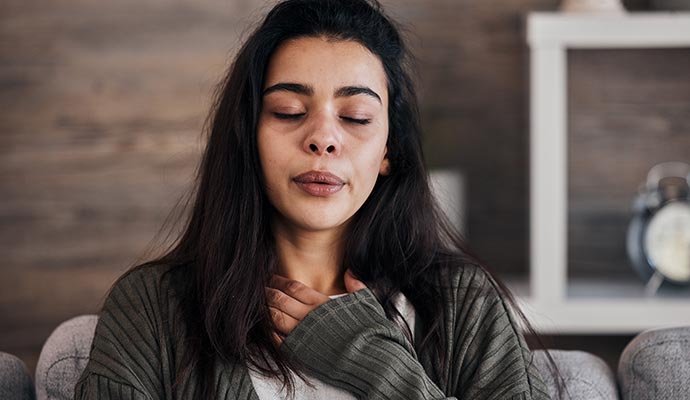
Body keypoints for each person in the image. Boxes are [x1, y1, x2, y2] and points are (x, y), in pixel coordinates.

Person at [75, 0, 555, 399]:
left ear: (389, 149)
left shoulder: (463, 305)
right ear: (249, 135)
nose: (323, 138)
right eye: (289, 111)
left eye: (357, 117)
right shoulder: (152, 309)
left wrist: (381, 370)